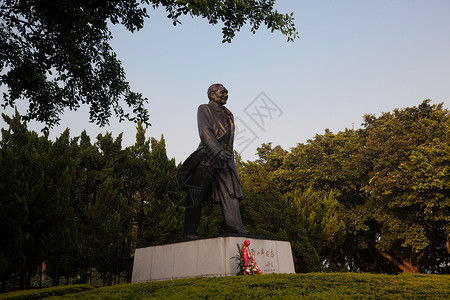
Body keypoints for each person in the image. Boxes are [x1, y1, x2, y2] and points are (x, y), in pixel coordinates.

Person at [177, 83, 249, 239]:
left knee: (230, 192)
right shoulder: (204, 109)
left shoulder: (229, 114)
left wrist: (228, 155)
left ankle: (235, 226)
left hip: (225, 160)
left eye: (227, 92)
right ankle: (190, 231)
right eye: (222, 92)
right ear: (212, 94)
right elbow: (205, 132)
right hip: (207, 158)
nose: (226, 95)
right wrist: (217, 150)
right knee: (197, 195)